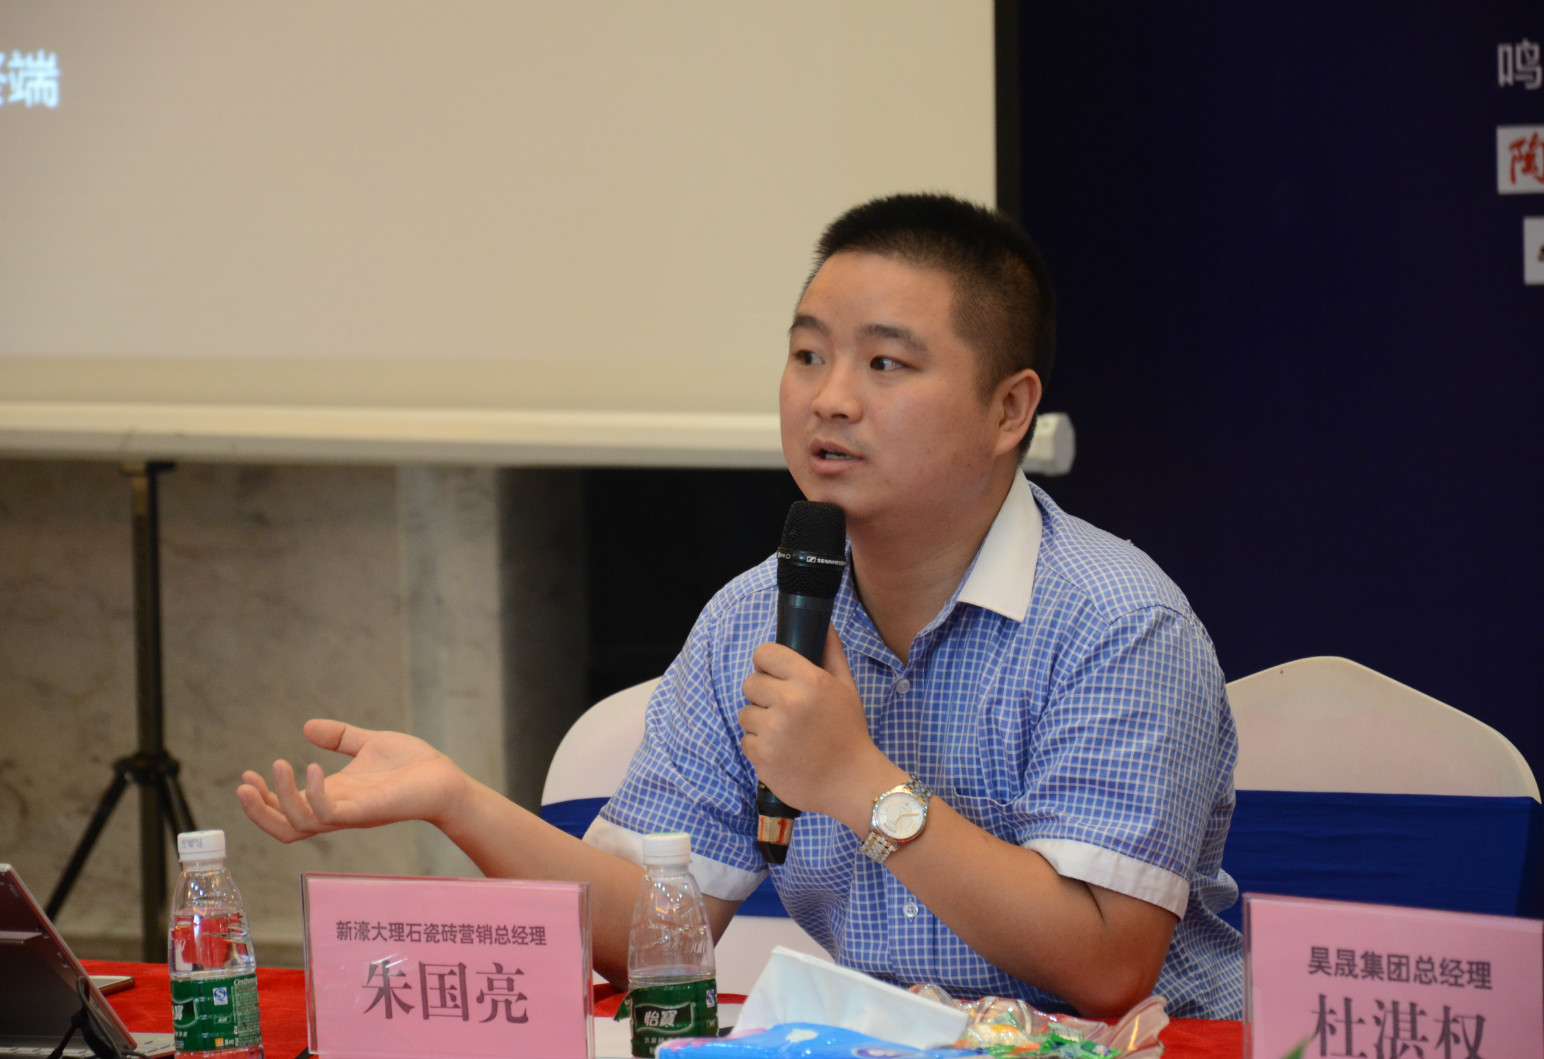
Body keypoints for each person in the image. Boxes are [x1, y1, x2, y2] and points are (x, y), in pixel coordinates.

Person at [238, 193, 1243, 1020]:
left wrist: (855, 782)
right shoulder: (754, 616)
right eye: (808, 355)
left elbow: (1107, 966)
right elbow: (648, 928)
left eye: (884, 364)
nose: (829, 398)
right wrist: (457, 799)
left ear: (1009, 408)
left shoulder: (1116, 621)